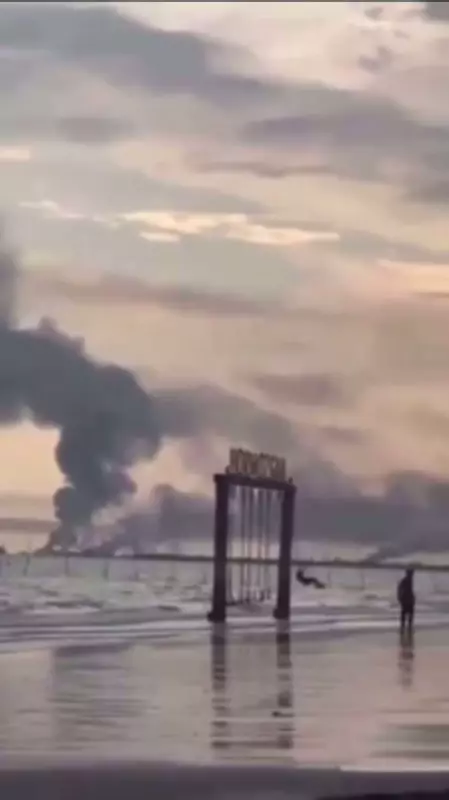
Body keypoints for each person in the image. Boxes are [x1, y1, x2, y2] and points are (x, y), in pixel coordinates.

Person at [397, 567, 415, 635]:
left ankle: (407, 627)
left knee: (408, 614)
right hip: (406, 599)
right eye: (411, 573)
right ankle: (405, 627)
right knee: (406, 614)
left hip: (407, 599)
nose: (412, 575)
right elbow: (400, 588)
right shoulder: (406, 580)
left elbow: (400, 588)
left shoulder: (409, 580)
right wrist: (399, 597)